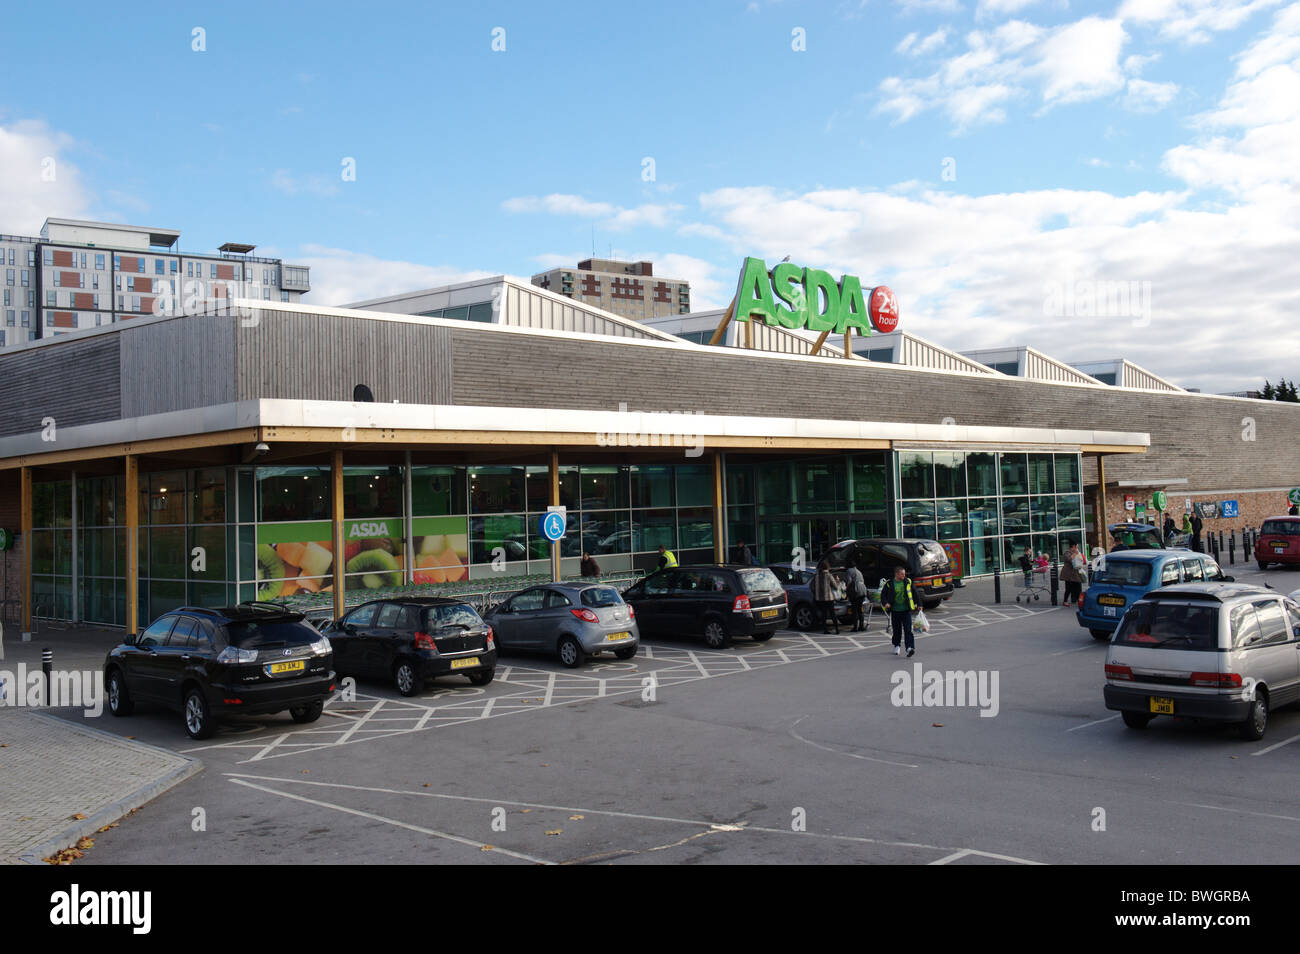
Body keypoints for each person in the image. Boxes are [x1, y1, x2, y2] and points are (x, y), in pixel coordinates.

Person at [881, 565, 917, 657]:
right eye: (902, 574)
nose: (904, 575)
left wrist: (919, 604)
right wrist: (886, 603)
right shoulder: (889, 583)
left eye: (904, 574)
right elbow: (883, 595)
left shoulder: (907, 581)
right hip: (895, 611)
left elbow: (915, 593)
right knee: (897, 630)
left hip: (906, 610)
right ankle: (897, 646)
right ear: (896, 574)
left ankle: (909, 648)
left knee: (908, 630)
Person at [812, 559, 840, 635]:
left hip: (819, 599)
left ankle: (825, 630)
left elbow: (812, 586)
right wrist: (837, 581)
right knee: (832, 613)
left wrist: (816, 593)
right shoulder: (829, 575)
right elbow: (835, 586)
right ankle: (837, 629)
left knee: (823, 614)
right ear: (827, 567)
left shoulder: (816, 576)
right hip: (828, 598)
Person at [844, 559, 868, 632]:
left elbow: (849, 581)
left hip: (855, 592)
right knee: (860, 609)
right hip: (863, 591)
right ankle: (861, 626)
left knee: (854, 610)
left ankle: (855, 627)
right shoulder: (859, 571)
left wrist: (845, 589)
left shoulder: (849, 571)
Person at [1060, 542, 1084, 608]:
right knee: (1068, 588)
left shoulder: (1076, 552)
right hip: (1068, 574)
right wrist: (1075, 554)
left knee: (1078, 586)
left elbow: (1081, 560)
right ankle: (1065, 601)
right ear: (1073, 546)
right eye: (1076, 547)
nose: (1077, 548)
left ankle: (1077, 599)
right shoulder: (1067, 552)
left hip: (1075, 573)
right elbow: (1069, 559)